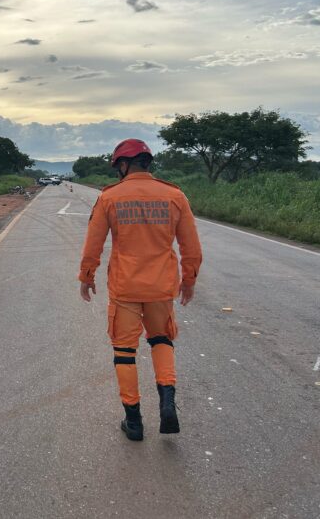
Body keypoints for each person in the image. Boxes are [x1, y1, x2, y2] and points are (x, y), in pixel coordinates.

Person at [78, 139, 202, 441]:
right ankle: (167, 400)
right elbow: (191, 246)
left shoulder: (110, 197)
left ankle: (133, 422)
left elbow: (93, 243)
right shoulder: (175, 196)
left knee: (124, 351)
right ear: (147, 163)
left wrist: (87, 276)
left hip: (126, 287)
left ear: (123, 165)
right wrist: (189, 280)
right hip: (161, 287)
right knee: (161, 340)